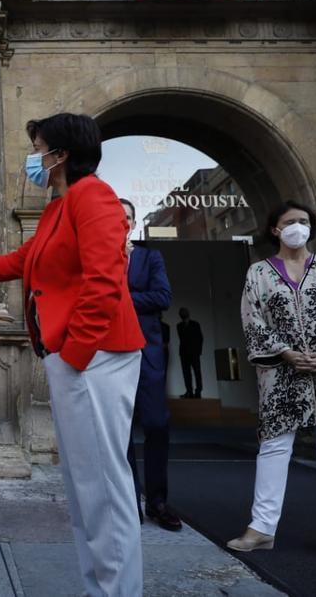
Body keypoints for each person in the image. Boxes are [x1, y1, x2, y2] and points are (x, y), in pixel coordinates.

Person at [0, 113, 146, 596]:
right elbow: (19, 263)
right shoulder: (58, 207)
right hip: (74, 357)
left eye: (39, 148)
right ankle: (101, 589)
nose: (34, 158)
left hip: (95, 357)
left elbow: (104, 281)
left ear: (61, 155)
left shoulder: (93, 196)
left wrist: (73, 353)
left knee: (104, 489)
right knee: (85, 487)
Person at [227, 201, 316, 564]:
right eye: (290, 222)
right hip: (281, 370)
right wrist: (285, 352)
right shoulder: (259, 273)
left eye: (304, 221)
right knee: (275, 446)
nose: (298, 227)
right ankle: (262, 527)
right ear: (275, 229)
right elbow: (252, 319)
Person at [121, 198, 182, 532]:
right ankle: (129, 498)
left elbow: (162, 297)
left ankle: (157, 500)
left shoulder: (149, 257)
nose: (121, 222)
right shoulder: (97, 258)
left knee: (156, 424)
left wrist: (118, 299)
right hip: (109, 355)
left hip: (147, 353)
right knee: (120, 430)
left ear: (132, 223)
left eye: (127, 217)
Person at [176, 307, 205, 399]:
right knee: (186, 373)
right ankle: (189, 391)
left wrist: (199, 351)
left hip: (194, 353)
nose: (182, 313)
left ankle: (198, 391)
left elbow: (200, 338)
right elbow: (183, 338)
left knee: (197, 372)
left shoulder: (195, 324)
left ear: (188, 313)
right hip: (184, 353)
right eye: (181, 312)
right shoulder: (179, 326)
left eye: (184, 312)